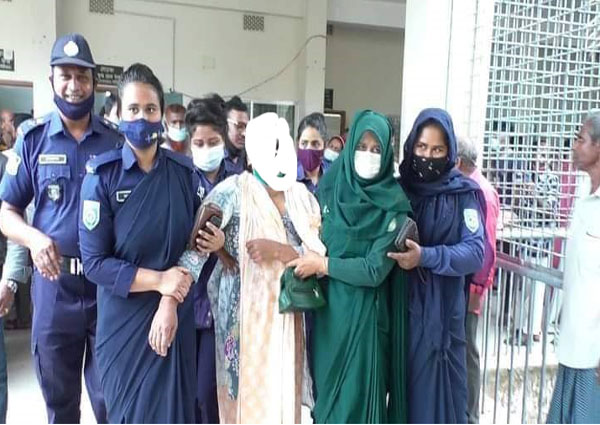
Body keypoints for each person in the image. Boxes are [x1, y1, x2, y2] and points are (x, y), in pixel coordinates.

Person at [78, 63, 224, 423]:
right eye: (133, 109)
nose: (142, 118)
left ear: (161, 113)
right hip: (123, 324)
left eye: (150, 109)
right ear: (119, 114)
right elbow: (95, 263)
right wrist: (160, 281)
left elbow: (195, 248)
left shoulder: (184, 175)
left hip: (174, 319)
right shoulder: (102, 178)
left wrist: (214, 242)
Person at [0, 33, 121, 423]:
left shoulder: (115, 142)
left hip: (106, 289)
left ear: (94, 83)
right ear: (52, 79)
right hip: (55, 289)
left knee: (111, 401)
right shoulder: (33, 139)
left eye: (82, 76)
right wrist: (34, 239)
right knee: (60, 405)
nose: (74, 85)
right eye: (65, 75)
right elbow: (6, 212)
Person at [289, 110, 411, 423]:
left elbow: (374, 270)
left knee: (357, 406)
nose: (368, 155)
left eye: (376, 149)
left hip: (366, 321)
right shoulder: (330, 190)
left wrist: (324, 264)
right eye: (361, 146)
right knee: (327, 406)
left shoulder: (394, 206)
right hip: (328, 320)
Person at [201, 112, 324, 423]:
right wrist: (219, 248)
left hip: (288, 316)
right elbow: (197, 249)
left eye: (282, 147)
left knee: (281, 395)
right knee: (247, 400)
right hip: (245, 318)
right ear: (252, 154)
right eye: (270, 148)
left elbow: (320, 255)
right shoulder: (231, 192)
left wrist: (281, 252)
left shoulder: (301, 197)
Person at [389, 108, 486, 423]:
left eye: (437, 150)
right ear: (411, 146)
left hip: (442, 321)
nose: (428, 156)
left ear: (450, 153)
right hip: (400, 315)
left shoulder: (463, 195)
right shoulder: (397, 191)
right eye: (422, 147)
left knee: (441, 407)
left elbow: (475, 252)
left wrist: (426, 257)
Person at [185, 95, 241, 423]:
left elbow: (249, 242)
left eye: (213, 142)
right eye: (199, 143)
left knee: (210, 394)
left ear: (224, 139)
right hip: (185, 300)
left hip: (222, 306)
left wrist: (223, 245)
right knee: (186, 395)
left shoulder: (240, 182)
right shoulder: (180, 178)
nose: (206, 149)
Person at [546, 112, 600, 424]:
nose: (574, 145)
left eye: (581, 139)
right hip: (572, 347)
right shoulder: (583, 195)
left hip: (594, 357)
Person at [456, 136, 500, 424]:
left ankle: (470, 415)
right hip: (465, 285)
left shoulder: (481, 192)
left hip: (471, 288)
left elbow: (486, 250)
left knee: (468, 349)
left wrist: (476, 290)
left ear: (458, 161)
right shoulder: (471, 187)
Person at [296, 112, 330, 194]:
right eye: (304, 143)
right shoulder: (289, 178)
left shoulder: (333, 176)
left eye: (315, 144)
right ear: (298, 144)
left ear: (325, 145)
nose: (309, 148)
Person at [223, 96, 249, 174]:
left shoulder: (248, 160)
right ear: (225, 126)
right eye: (239, 126)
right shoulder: (213, 162)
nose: (245, 133)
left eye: (247, 127)